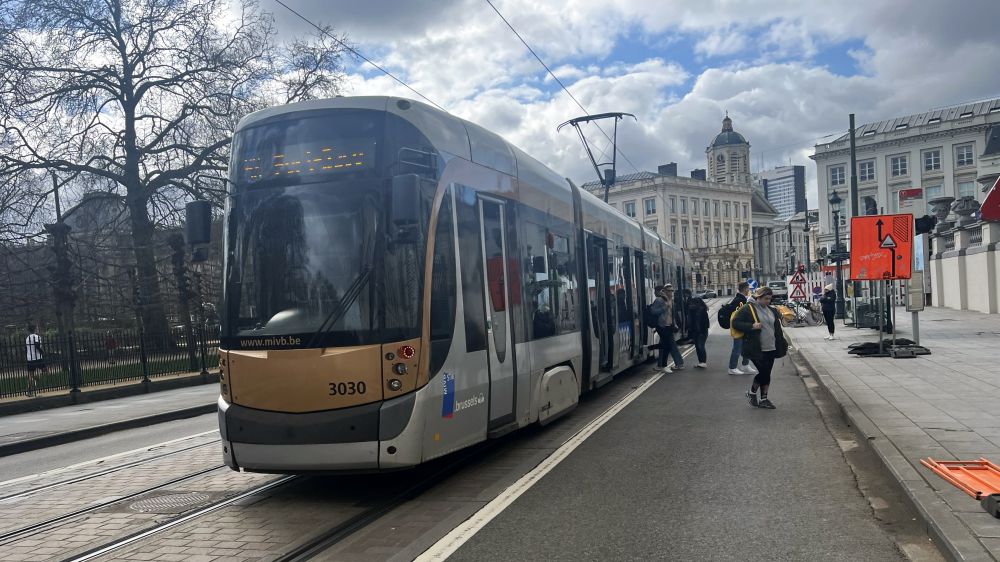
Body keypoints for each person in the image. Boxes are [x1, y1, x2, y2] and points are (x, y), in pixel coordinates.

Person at [732, 287, 788, 409]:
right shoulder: (748, 308)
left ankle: (762, 399)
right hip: (756, 347)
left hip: (771, 347)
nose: (768, 301)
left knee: (766, 374)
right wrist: (751, 326)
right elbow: (735, 322)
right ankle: (753, 394)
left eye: (770, 299)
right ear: (758, 297)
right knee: (764, 372)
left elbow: (776, 327)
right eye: (766, 299)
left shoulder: (771, 310)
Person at [650, 283, 684, 373]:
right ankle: (664, 366)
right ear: (664, 291)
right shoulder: (659, 300)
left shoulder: (671, 301)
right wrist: (664, 308)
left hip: (669, 326)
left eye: (672, 290)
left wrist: (675, 324)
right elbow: (653, 311)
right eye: (669, 290)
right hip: (662, 326)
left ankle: (660, 365)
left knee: (666, 345)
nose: (671, 292)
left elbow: (672, 315)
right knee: (667, 345)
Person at [727, 282, 758, 376]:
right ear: (745, 289)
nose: (749, 290)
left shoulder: (741, 299)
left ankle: (745, 365)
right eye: (748, 288)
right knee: (737, 348)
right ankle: (732, 368)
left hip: (744, 328)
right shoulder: (739, 300)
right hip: (739, 328)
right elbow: (741, 316)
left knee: (746, 347)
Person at [685, 290, 709, 368]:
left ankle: (703, 362)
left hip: (701, 331)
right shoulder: (695, 311)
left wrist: (700, 330)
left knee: (700, 346)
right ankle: (701, 362)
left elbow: (703, 323)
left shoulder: (700, 311)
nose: (691, 305)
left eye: (692, 304)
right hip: (697, 331)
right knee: (698, 346)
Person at [25, 324, 44, 397]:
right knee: (45, 370)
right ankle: (36, 378)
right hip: (37, 358)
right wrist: (41, 351)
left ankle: (29, 391)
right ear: (35, 329)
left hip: (30, 358)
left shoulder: (27, 338)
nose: (38, 329)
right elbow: (36, 345)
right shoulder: (36, 337)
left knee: (30, 374)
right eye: (37, 328)